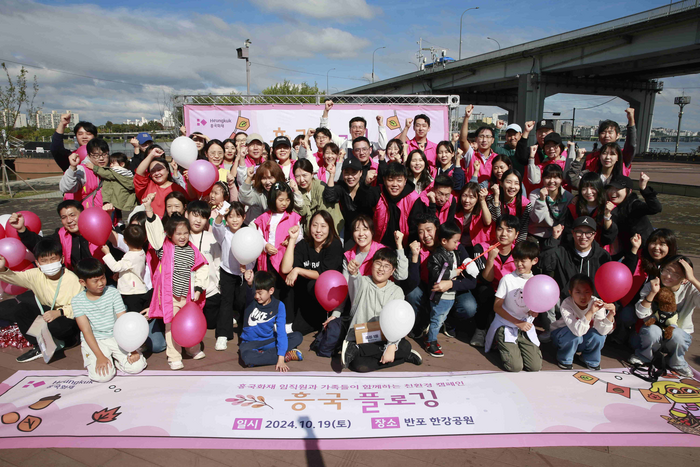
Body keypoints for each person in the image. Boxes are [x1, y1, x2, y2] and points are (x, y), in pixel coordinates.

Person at [143, 194, 209, 370]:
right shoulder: (164, 248)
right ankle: (174, 356)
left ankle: (192, 348)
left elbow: (202, 267)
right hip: (170, 297)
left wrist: (198, 288)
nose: (182, 237)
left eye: (185, 233)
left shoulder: (192, 250)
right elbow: (155, 234)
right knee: (171, 326)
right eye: (178, 234)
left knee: (189, 324)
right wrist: (149, 210)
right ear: (170, 234)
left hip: (187, 297)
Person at [0, 239, 82, 363]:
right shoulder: (35, 274)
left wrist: (59, 312)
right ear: (37, 263)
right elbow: (15, 277)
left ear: (62, 259)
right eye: (44, 261)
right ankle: (40, 345)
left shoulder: (72, 279)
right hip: (47, 311)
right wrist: (2, 269)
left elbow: (82, 305)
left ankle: (70, 340)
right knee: (21, 309)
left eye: (53, 259)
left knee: (56, 326)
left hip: (67, 317)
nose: (49, 264)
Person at [342, 248, 422, 372]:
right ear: (372, 265)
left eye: (386, 266)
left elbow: (397, 323)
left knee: (405, 345)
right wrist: (353, 273)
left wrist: (391, 346)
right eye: (378, 264)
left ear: (392, 271)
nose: (381, 269)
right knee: (359, 366)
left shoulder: (397, 291)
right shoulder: (363, 282)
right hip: (362, 338)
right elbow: (355, 281)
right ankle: (401, 356)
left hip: (384, 338)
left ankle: (401, 354)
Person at [72, 258, 147, 382]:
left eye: (102, 278)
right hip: (96, 340)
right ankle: (106, 358)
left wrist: (132, 348)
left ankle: (117, 361)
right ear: (82, 282)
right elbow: (86, 331)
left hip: (117, 337)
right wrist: (99, 356)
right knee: (102, 376)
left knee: (137, 366)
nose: (101, 283)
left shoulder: (113, 293)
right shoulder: (77, 301)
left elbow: (123, 320)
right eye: (95, 281)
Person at [539, 216, 613, 341]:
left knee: (597, 334)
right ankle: (550, 329)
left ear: (594, 234)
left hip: (591, 301)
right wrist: (554, 239)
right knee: (545, 294)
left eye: (588, 233)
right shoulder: (563, 251)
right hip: (565, 301)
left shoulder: (602, 256)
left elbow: (610, 283)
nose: (583, 237)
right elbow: (545, 263)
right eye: (579, 232)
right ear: (573, 233)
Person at [629, 256, 699, 378]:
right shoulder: (653, 284)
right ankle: (644, 356)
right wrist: (652, 293)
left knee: (677, 335)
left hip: (678, 333)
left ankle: (676, 362)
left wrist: (692, 279)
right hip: (653, 331)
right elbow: (640, 314)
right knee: (652, 331)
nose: (668, 276)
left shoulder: (690, 289)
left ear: (684, 279)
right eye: (666, 270)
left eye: (676, 274)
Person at [281, 212, 344, 335]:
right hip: (304, 298)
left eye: (323, 226)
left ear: (330, 228)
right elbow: (285, 269)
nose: (318, 230)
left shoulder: (334, 245)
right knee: (287, 281)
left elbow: (323, 274)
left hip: (325, 299)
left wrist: (298, 270)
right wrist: (292, 240)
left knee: (313, 284)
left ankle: (316, 321)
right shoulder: (304, 245)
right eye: (315, 225)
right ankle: (287, 321)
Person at [484, 240, 543, 373]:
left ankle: (518, 348)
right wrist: (517, 323)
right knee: (515, 367)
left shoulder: (537, 281)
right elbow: (497, 307)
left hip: (525, 326)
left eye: (523, 261)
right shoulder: (507, 279)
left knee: (535, 367)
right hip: (506, 324)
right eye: (516, 260)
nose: (519, 264)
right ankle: (500, 343)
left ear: (534, 261)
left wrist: (535, 312)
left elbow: (536, 308)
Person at [425, 222, 478, 357]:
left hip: (450, 295)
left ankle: (433, 338)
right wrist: (455, 272)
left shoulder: (455, 253)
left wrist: (467, 265)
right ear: (444, 240)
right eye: (455, 242)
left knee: (441, 318)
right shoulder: (437, 256)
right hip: (440, 296)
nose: (457, 245)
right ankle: (430, 341)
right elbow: (437, 274)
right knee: (437, 319)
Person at [254, 182, 302, 329]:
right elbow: (258, 236)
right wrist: (265, 245)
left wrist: (292, 239)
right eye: (281, 200)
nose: (284, 203)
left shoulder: (294, 217)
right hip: (269, 260)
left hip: (285, 259)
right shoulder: (264, 217)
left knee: (287, 290)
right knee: (271, 290)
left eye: (287, 200)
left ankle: (288, 322)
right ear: (273, 199)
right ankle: (271, 320)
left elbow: (300, 235)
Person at [11, 201, 107, 270]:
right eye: (64, 217)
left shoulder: (98, 230)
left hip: (104, 279)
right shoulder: (61, 235)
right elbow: (40, 245)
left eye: (72, 215)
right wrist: (21, 229)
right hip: (77, 282)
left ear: (83, 214)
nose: (69, 221)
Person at [240, 270, 304, 370]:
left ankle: (269, 356)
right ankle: (288, 355)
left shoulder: (279, 305)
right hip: (250, 343)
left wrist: (281, 359)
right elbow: (249, 290)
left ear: (271, 291)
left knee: (297, 336)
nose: (257, 296)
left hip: (269, 341)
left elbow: (281, 332)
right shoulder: (251, 300)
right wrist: (249, 282)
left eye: (260, 293)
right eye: (255, 292)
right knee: (248, 358)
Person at [211, 202, 254, 349]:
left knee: (243, 302)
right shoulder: (225, 233)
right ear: (227, 219)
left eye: (238, 216)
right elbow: (216, 228)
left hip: (243, 275)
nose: (234, 220)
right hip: (227, 272)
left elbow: (253, 252)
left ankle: (246, 333)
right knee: (226, 302)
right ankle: (223, 335)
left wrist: (247, 268)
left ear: (244, 218)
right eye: (231, 217)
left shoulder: (248, 233)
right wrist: (221, 214)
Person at [550, 275, 615, 370]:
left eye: (587, 292)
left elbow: (602, 331)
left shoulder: (597, 302)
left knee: (599, 336)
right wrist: (590, 312)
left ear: (592, 292)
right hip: (562, 337)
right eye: (578, 292)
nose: (583, 296)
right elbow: (577, 331)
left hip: (582, 338)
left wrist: (611, 314)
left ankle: (589, 359)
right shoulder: (566, 304)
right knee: (573, 335)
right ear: (570, 293)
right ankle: (565, 358)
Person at [358, 162, 428, 247]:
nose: (395, 184)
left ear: (405, 181)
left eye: (399, 180)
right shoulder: (378, 192)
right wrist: (365, 185)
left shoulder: (413, 199)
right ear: (384, 180)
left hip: (404, 247)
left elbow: (415, 230)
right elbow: (360, 204)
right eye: (390, 180)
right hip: (378, 245)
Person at [185, 201, 223, 350]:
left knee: (210, 325)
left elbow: (217, 263)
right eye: (194, 215)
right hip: (189, 294)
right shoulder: (181, 236)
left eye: (202, 217)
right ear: (186, 215)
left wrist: (219, 286)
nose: (197, 220)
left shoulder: (212, 237)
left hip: (211, 291)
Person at [606, 173, 661, 258]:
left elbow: (656, 208)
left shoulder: (633, 205)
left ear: (629, 191)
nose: (613, 192)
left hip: (643, 251)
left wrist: (644, 189)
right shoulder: (608, 206)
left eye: (617, 189)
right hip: (624, 251)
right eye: (611, 188)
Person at [100, 225, 151, 314]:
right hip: (138, 290)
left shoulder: (131, 256)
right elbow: (131, 269)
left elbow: (115, 266)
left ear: (125, 240)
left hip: (131, 292)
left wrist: (107, 253)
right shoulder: (141, 252)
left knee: (134, 316)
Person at [322, 158, 371, 245]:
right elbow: (329, 197)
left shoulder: (366, 188)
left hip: (367, 232)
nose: (350, 177)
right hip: (349, 232)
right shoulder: (341, 188)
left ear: (361, 173)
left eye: (354, 172)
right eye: (347, 173)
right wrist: (332, 175)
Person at [292, 159, 344, 236]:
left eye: (304, 175)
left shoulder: (321, 188)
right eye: (297, 176)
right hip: (314, 233)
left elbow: (324, 215)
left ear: (312, 174)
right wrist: (296, 192)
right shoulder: (298, 191)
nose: (302, 180)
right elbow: (303, 212)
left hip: (332, 230)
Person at [134, 145, 189, 219]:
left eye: (159, 169)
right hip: (150, 226)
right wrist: (151, 155)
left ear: (167, 170)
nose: (157, 173)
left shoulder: (177, 188)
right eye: (153, 171)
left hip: (171, 227)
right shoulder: (146, 186)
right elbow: (139, 173)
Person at [319, 100, 387, 156]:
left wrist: (381, 125)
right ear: (350, 130)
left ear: (364, 130)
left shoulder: (371, 145)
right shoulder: (344, 143)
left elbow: (383, 146)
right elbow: (325, 132)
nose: (357, 130)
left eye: (360, 127)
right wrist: (326, 111)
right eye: (354, 127)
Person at [60, 137, 111, 209]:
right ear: (89, 155)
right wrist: (72, 167)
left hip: (107, 216)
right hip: (86, 216)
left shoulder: (111, 169)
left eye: (104, 154)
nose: (101, 158)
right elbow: (66, 188)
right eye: (96, 155)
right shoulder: (82, 170)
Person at [84, 151, 136, 221]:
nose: (111, 165)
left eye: (113, 163)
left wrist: (94, 167)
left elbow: (105, 173)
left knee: (113, 213)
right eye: (110, 163)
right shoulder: (128, 173)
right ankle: (120, 223)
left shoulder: (115, 172)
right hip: (127, 203)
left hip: (116, 201)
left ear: (122, 164)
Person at [583, 108, 636, 177]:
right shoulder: (590, 157)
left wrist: (631, 121)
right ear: (599, 136)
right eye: (603, 132)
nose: (606, 136)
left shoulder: (623, 155)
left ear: (617, 135)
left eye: (610, 132)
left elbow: (631, 145)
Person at [528, 164, 573, 241]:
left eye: (556, 177)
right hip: (536, 235)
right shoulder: (534, 194)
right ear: (542, 179)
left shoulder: (568, 196)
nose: (552, 181)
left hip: (558, 234)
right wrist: (541, 200)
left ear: (561, 179)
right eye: (548, 177)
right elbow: (536, 219)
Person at [487, 169, 532, 243]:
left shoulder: (525, 204)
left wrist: (517, 248)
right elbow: (497, 220)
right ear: (501, 183)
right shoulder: (491, 199)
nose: (512, 186)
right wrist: (496, 198)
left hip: (514, 244)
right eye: (508, 182)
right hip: (492, 241)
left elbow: (523, 230)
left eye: (516, 183)